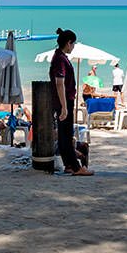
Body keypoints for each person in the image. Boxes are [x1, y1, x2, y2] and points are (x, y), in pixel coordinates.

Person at [50, 29, 92, 176]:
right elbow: (59, 83)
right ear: (68, 43)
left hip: (64, 100)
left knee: (64, 134)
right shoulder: (61, 59)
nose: (73, 47)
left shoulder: (59, 57)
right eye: (72, 44)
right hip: (64, 101)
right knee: (66, 135)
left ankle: (68, 164)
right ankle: (75, 167)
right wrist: (64, 107)